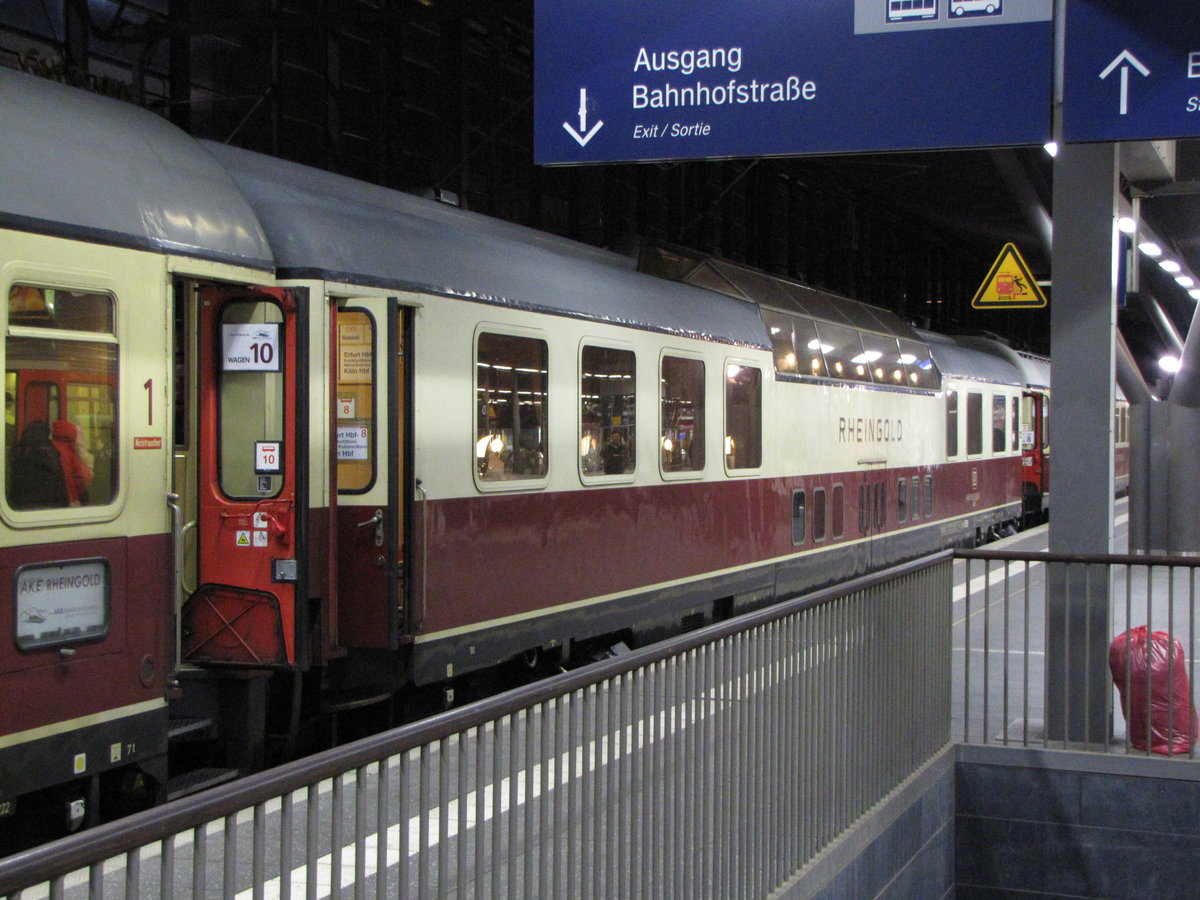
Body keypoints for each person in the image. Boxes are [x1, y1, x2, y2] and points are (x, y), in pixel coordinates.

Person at [10, 420, 68, 509]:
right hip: (47, 504)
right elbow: (57, 482)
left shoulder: (19, 452)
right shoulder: (48, 453)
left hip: (22, 504)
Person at [51, 420, 93, 506]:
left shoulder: (52, 448)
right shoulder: (69, 454)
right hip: (71, 499)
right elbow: (82, 478)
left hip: (56, 499)